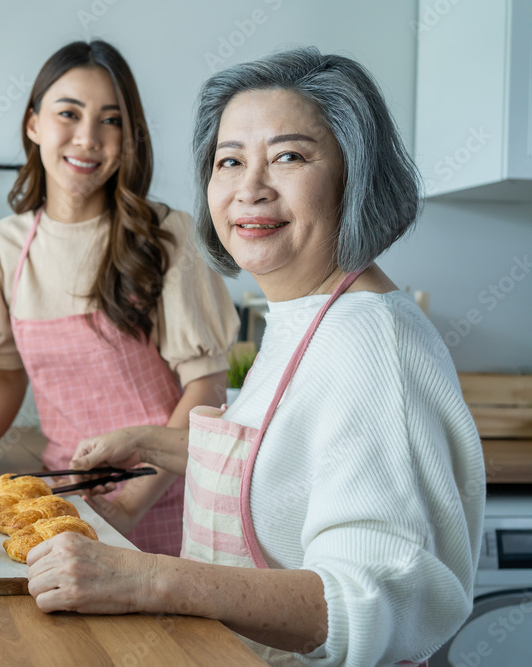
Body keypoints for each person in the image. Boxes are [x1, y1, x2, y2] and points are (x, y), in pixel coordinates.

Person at [24, 47, 485, 666]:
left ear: (356, 174)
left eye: (289, 156)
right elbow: (291, 469)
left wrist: (146, 577)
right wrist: (155, 442)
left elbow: (369, 600)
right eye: (230, 161)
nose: (250, 188)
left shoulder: (375, 344)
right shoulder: (307, 314)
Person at [0, 40, 240, 556]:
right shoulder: (2, 246)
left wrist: (129, 505)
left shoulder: (169, 236)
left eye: (110, 120)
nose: (88, 138)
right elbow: (8, 374)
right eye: (68, 113)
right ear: (33, 125)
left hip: (170, 503)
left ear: (130, 136)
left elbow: (206, 388)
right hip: (65, 500)